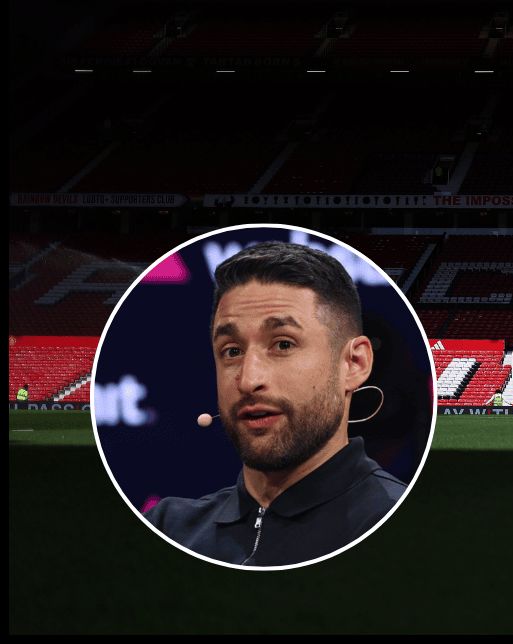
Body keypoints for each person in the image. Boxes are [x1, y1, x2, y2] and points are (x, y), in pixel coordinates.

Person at [145, 241, 405, 566]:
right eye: (232, 351)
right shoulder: (169, 526)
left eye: (283, 344)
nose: (248, 380)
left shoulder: (397, 524)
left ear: (353, 364)